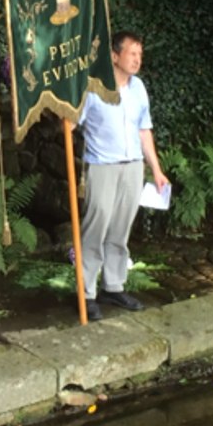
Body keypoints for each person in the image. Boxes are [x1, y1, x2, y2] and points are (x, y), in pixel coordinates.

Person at [72, 30, 169, 321]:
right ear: (114, 56)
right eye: (132, 53)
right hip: (102, 165)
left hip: (133, 167)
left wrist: (156, 169)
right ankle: (86, 291)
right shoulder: (94, 87)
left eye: (140, 54)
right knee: (95, 227)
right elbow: (73, 121)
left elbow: (144, 130)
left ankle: (113, 285)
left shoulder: (138, 87)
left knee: (120, 228)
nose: (138, 59)